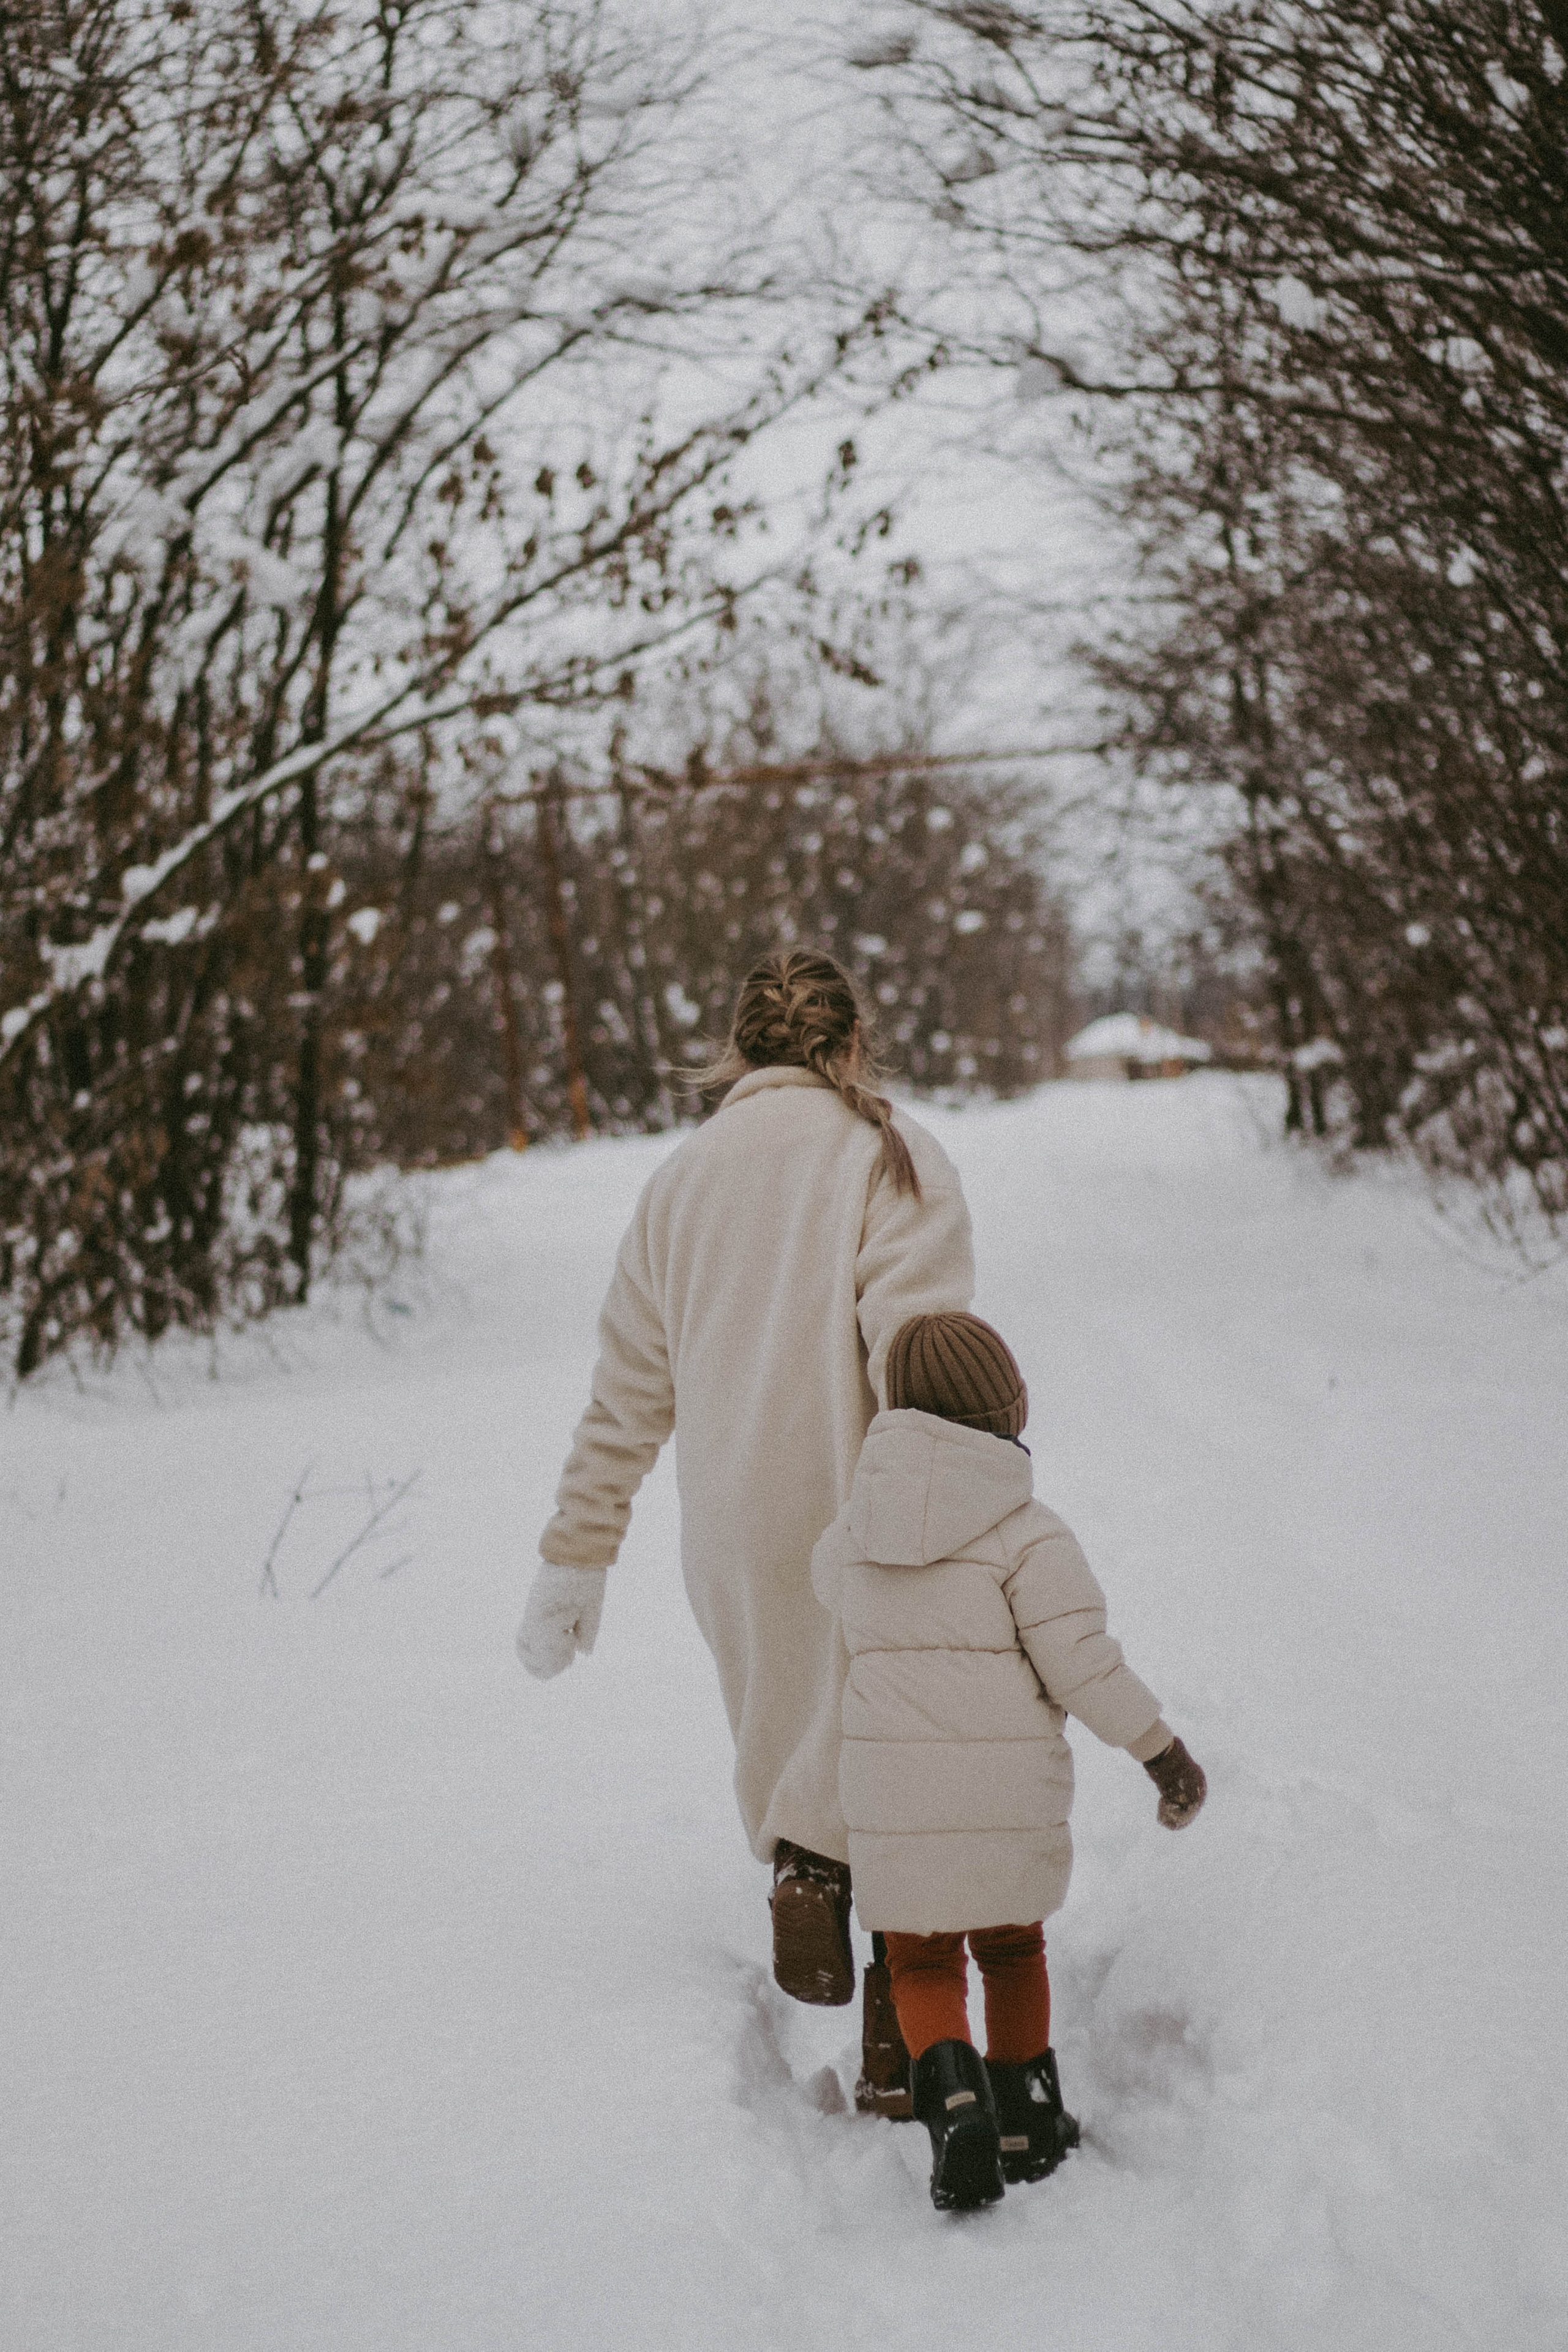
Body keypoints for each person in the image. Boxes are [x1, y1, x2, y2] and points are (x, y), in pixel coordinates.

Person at [516, 949, 976, 2100]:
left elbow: (626, 1397)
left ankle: (807, 1874)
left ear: (737, 1050)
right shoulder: (891, 1154)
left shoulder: (678, 1183)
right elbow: (919, 1349)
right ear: (850, 1042)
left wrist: (576, 1554)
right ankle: (900, 2047)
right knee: (905, 1768)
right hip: (871, 1507)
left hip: (733, 1532)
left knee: (792, 1734)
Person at [810, 1309, 1207, 2211]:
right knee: (1011, 1947)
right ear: (1006, 1414)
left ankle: (954, 2107)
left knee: (920, 1962)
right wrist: (1161, 1753)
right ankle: (1026, 2112)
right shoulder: (1030, 1536)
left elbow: (822, 1582)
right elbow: (1085, 1666)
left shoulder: (854, 1534)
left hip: (896, 1800)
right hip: (1005, 1799)